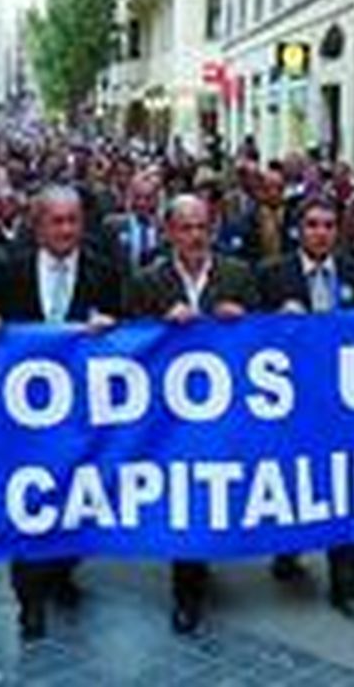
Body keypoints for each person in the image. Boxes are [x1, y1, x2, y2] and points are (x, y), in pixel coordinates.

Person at [0, 185, 121, 641]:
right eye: (56, 221)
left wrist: (113, 328)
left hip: (82, 415)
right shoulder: (8, 271)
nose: (65, 230)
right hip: (24, 415)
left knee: (76, 497)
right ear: (37, 225)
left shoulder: (103, 271)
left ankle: (63, 568)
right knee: (29, 501)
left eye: (72, 220)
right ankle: (29, 601)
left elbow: (130, 329)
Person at [129, 194, 260, 635]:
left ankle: (204, 560)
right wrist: (159, 325)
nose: (194, 236)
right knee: (184, 493)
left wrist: (243, 319)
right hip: (169, 414)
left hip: (225, 410)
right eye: (185, 228)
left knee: (215, 489)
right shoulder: (147, 281)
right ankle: (187, 589)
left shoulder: (238, 275)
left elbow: (266, 338)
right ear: (169, 232)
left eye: (201, 227)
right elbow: (128, 345)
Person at [256, 196, 354, 619]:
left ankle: (346, 584)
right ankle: (288, 548)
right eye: (312, 224)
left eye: (329, 225)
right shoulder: (272, 274)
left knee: (343, 487)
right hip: (290, 402)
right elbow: (246, 334)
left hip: (343, 403)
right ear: (299, 230)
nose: (321, 232)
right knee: (294, 479)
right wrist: (275, 319)